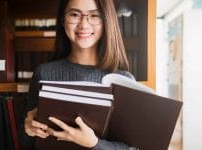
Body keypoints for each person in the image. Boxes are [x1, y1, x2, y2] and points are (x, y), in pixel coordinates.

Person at [23, 0, 136, 149]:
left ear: (106, 22)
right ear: (63, 21)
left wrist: (95, 144)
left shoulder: (124, 81)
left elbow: (132, 148)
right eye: (75, 14)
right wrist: (28, 129)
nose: (83, 24)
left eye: (94, 15)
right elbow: (28, 143)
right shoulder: (43, 73)